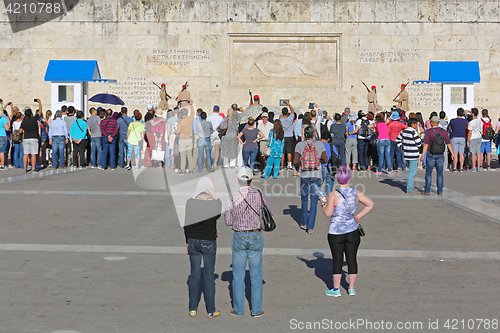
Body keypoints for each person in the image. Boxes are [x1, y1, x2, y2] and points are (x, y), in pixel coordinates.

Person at [225, 167, 270, 318]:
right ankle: (256, 310)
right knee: (256, 276)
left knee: (238, 277)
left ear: (237, 180)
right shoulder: (259, 194)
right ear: (252, 180)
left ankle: (238, 309)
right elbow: (267, 212)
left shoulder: (231, 197)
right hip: (256, 235)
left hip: (239, 236)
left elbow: (228, 221)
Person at [322, 167, 374, 297]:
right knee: (352, 259)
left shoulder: (334, 194)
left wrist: (323, 202)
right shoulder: (355, 192)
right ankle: (351, 288)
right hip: (352, 231)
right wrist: (358, 216)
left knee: (337, 260)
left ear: (337, 179)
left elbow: (328, 213)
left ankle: (336, 289)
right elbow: (370, 204)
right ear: (349, 179)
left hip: (336, 232)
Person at [184, 176, 222, 319]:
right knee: (209, 277)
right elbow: (217, 215)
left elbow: (186, 223)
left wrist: (187, 241)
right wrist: (214, 196)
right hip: (208, 241)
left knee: (194, 275)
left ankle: (192, 309)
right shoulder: (215, 204)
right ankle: (211, 310)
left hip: (193, 239)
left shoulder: (190, 202)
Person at [294, 126, 328, 234]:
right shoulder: (319, 144)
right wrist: (317, 162)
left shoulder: (299, 145)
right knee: (314, 201)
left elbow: (295, 161)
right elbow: (325, 159)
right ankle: (310, 227)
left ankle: (303, 222)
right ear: (314, 134)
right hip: (316, 175)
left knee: (304, 198)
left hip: (304, 175)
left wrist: (301, 166)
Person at [420, 116, 455, 195]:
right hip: (440, 154)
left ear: (432, 122)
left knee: (428, 172)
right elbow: (448, 143)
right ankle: (440, 190)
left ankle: (427, 190)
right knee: (440, 173)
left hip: (431, 154)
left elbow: (426, 144)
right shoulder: (443, 131)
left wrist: (422, 155)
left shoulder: (429, 132)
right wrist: (452, 153)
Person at [396, 119, 422, 194]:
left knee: (411, 171)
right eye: (416, 124)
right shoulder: (414, 132)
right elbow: (419, 144)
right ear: (412, 124)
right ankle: (409, 188)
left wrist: (402, 147)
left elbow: (397, 140)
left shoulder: (404, 131)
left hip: (406, 154)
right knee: (412, 173)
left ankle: (411, 186)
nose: (417, 126)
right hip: (413, 155)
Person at [175, 102, 196, 174]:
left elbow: (177, 132)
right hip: (189, 139)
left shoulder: (181, 122)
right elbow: (193, 113)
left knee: (183, 156)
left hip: (182, 140)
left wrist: (174, 130)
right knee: (189, 156)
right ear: (187, 113)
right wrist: (191, 105)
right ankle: (191, 170)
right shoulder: (190, 119)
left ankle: (183, 170)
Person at [20, 106, 40, 173]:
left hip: (26, 138)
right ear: (31, 114)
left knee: (25, 154)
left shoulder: (24, 122)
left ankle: (25, 168)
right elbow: (39, 113)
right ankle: (33, 168)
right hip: (34, 137)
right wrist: (40, 103)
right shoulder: (34, 119)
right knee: (33, 154)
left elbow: (20, 130)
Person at [320, 130, 339, 195]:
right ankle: (328, 200)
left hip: (320, 167)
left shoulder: (318, 146)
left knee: (318, 185)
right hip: (330, 167)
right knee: (329, 186)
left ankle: (319, 198)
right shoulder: (331, 146)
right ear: (328, 139)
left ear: (320, 138)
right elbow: (337, 156)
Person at [280, 100, 295, 170]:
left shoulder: (280, 120)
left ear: (282, 113)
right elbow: (293, 111)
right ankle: (289, 165)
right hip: (290, 136)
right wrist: (288, 104)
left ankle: (282, 166)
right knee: (289, 152)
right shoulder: (290, 118)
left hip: (283, 136)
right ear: (287, 113)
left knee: (283, 152)